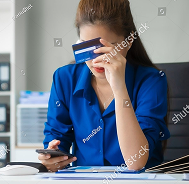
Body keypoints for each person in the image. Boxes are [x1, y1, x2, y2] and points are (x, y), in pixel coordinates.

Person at [38, 0, 170, 172]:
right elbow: (56, 139)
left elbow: (136, 162)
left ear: (128, 42)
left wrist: (119, 87)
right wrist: (51, 157)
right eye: (87, 47)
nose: (95, 59)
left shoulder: (152, 81)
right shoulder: (64, 79)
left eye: (106, 49)